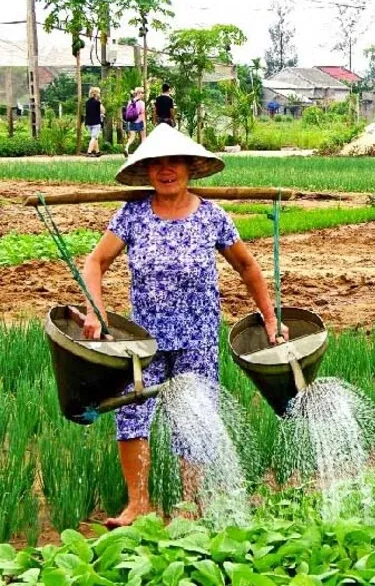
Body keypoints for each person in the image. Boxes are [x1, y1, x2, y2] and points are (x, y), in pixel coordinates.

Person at [81, 124, 289, 527]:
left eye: (173, 161)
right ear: (147, 171)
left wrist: (269, 315)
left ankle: (191, 503)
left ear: (190, 167)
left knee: (193, 416)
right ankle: (137, 504)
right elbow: (95, 262)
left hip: (197, 338)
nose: (165, 170)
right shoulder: (132, 215)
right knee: (132, 414)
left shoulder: (212, 217)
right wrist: (95, 310)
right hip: (143, 340)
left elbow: (247, 265)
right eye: (156, 163)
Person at [123, 87, 146, 158]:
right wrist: (144, 123)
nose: (143, 94)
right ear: (138, 93)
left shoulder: (130, 102)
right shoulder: (142, 103)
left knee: (132, 138)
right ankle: (142, 153)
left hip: (132, 122)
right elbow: (142, 114)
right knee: (143, 138)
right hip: (140, 122)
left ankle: (126, 148)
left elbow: (128, 112)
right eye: (142, 92)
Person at [85, 87, 105, 157]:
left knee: (95, 137)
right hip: (96, 123)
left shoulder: (87, 102)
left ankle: (97, 152)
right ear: (96, 94)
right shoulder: (97, 102)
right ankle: (89, 152)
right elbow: (103, 111)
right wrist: (100, 102)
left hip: (88, 123)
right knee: (94, 137)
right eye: (99, 93)